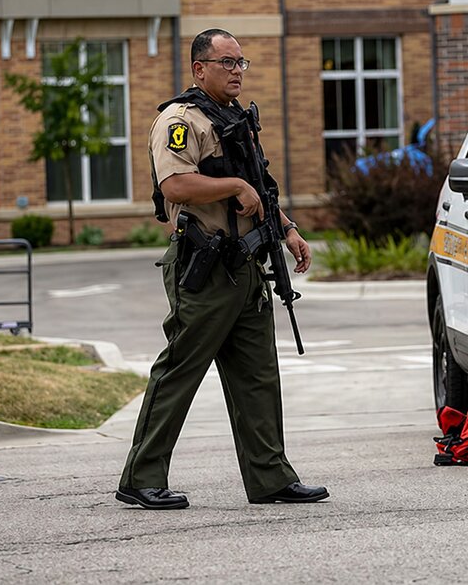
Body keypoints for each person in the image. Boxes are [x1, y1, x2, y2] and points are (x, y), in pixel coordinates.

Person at [116, 28, 327, 510]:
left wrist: (287, 229)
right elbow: (174, 185)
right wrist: (233, 186)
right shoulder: (179, 120)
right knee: (179, 372)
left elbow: (259, 187)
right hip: (205, 266)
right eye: (226, 62)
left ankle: (270, 477)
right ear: (199, 69)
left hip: (248, 263)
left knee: (257, 376)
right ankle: (141, 478)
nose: (236, 71)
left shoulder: (234, 119)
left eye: (240, 62)